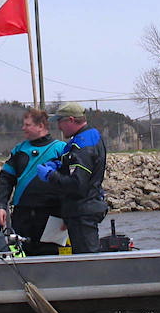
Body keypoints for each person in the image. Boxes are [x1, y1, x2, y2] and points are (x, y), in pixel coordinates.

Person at [36, 102, 108, 254]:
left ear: (70, 120)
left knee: (87, 260)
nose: (59, 127)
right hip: (83, 208)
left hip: (83, 211)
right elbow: (81, 169)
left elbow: (78, 184)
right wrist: (60, 164)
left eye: (60, 122)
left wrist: (51, 176)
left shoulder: (83, 145)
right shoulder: (88, 137)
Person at [0, 108, 66, 255]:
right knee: (22, 253)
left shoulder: (60, 149)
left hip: (51, 214)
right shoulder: (19, 150)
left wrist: (68, 213)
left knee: (49, 256)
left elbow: (70, 183)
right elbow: (6, 179)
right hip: (23, 213)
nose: (23, 128)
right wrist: (0, 205)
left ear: (40, 126)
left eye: (27, 125)